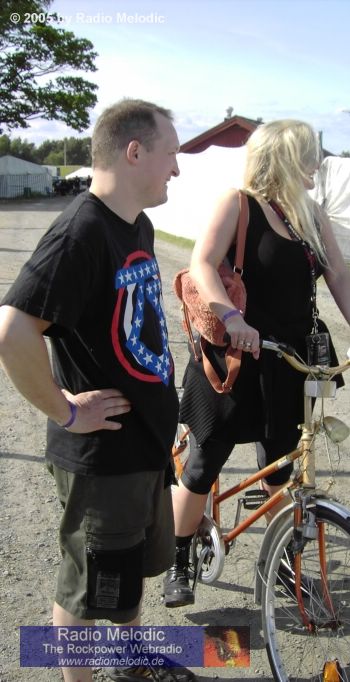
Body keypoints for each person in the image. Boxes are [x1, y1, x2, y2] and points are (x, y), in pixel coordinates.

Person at [0, 99, 196, 682]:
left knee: (123, 571)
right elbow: (12, 331)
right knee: (85, 590)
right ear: (134, 152)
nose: (177, 168)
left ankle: (132, 664)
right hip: (102, 455)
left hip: (141, 446)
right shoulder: (80, 233)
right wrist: (65, 410)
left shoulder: (136, 224)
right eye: (171, 154)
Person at [163, 119, 350, 608]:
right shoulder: (238, 204)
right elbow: (202, 264)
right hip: (234, 357)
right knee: (203, 463)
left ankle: (281, 562)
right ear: (283, 158)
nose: (316, 166)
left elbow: (339, 275)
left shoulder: (310, 214)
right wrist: (231, 316)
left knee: (281, 468)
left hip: (289, 358)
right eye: (308, 156)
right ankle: (178, 560)